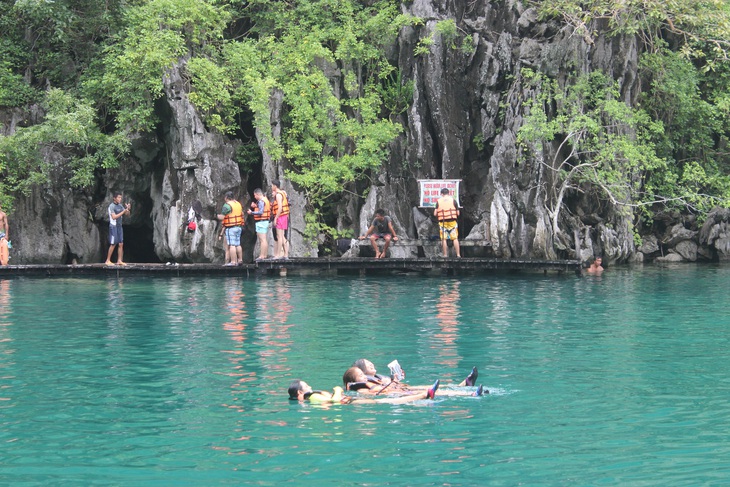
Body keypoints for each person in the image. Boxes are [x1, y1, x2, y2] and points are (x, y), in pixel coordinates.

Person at [346, 362, 485, 397]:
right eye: (361, 375)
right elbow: (378, 392)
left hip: (401, 389)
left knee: (429, 386)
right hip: (400, 394)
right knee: (433, 390)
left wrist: (396, 379)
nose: (364, 377)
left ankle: (464, 385)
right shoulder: (361, 388)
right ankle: (469, 394)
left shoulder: (375, 378)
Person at [288, 379, 439, 404]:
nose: (310, 387)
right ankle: (425, 394)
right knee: (388, 401)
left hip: (351, 402)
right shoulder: (313, 398)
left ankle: (424, 394)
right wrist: (338, 390)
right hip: (351, 403)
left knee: (387, 401)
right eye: (306, 386)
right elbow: (333, 402)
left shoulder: (313, 398)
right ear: (300, 394)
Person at [217, 191, 244, 266]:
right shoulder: (238, 204)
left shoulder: (227, 205)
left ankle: (233, 262)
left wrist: (217, 216)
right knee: (238, 244)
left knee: (232, 245)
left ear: (226, 197)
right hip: (238, 227)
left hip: (231, 228)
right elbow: (242, 213)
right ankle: (240, 260)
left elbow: (222, 217)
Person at [105, 192, 131, 266]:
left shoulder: (120, 206)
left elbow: (127, 214)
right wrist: (123, 211)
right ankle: (107, 260)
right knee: (113, 244)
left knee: (121, 244)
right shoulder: (111, 206)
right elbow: (114, 217)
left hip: (119, 226)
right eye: (119, 197)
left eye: (120, 197)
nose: (120, 199)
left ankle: (119, 260)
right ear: (114, 198)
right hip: (113, 226)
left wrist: (127, 209)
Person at [435, 187, 461, 258]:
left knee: (444, 239)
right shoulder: (453, 200)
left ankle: (445, 255)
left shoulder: (439, 201)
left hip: (443, 222)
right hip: (452, 222)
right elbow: (458, 213)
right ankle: (458, 255)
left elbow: (435, 213)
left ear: (442, 194)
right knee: (455, 238)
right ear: (448, 193)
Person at [247, 188, 271, 260]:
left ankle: (262, 256)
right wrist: (256, 206)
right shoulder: (265, 200)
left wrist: (251, 212)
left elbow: (261, 212)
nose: (254, 197)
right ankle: (265, 255)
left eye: (255, 195)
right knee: (264, 239)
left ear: (258, 194)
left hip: (261, 222)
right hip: (265, 221)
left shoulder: (261, 201)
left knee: (262, 239)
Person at [271, 179, 290, 259]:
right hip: (284, 216)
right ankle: (285, 255)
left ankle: (278, 255)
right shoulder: (283, 193)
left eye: (272, 185)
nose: (271, 187)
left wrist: (275, 218)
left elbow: (280, 208)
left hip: (280, 216)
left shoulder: (278, 195)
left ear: (275, 186)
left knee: (279, 236)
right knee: (282, 236)